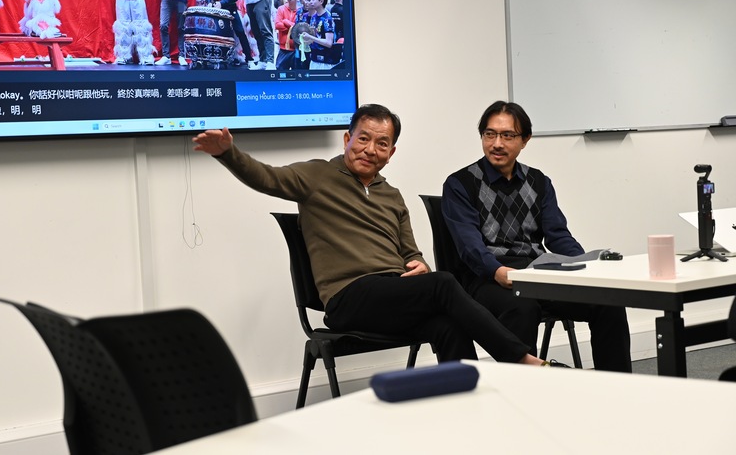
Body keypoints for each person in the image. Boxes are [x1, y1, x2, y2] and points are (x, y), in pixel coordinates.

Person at [192, 104, 568, 367]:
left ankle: (467, 412)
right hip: (348, 297)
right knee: (444, 284)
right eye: (363, 139)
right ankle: (522, 361)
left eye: (382, 143)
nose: (370, 150)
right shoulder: (315, 176)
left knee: (448, 325)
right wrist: (228, 154)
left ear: (392, 151)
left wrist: (418, 264)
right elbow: (265, 177)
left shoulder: (392, 195)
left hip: (393, 295)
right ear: (347, 138)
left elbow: (411, 252)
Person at [442, 101, 632, 372]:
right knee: (522, 306)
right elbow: (469, 246)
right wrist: (497, 271)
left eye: (507, 135)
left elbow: (558, 236)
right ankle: (523, 388)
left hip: (536, 272)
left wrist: (585, 266)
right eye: (489, 134)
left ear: (525, 140)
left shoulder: (539, 181)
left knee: (608, 301)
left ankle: (617, 383)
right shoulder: (460, 183)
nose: (497, 143)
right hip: (486, 277)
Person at [299, 0, 338, 70]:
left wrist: (310, 37)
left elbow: (329, 43)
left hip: (325, 62)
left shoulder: (327, 19)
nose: (311, 2)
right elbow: (314, 36)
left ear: (321, 1)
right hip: (314, 59)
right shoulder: (314, 17)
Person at [273, 0, 299, 70]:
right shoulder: (281, 9)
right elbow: (277, 25)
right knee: (280, 73)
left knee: (297, 74)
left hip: (296, 49)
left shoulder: (300, 11)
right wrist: (293, 27)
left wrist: (285, 21)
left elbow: (298, 28)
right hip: (283, 49)